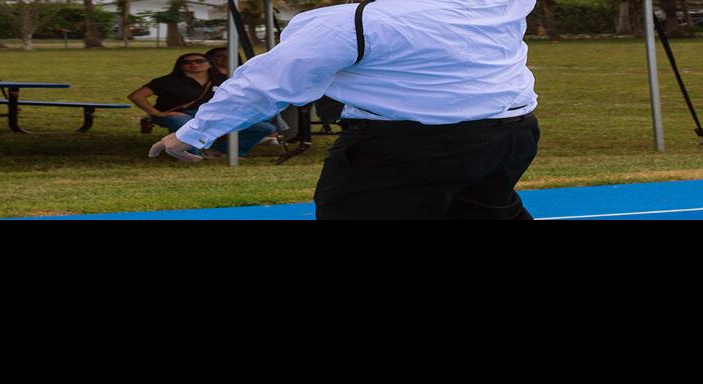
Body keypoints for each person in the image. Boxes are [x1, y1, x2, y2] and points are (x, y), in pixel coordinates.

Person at [148, 0, 541, 220]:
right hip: (511, 136)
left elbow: (265, 84)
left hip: (406, 149)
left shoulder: (348, 23)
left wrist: (192, 132)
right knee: (486, 214)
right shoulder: (496, 3)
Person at [129, 53, 276, 160]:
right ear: (180, 66)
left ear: (209, 63)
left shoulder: (223, 80)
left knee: (264, 127)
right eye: (188, 62)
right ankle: (192, 155)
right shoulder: (167, 81)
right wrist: (157, 113)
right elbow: (136, 96)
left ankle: (221, 152)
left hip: (213, 115)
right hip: (179, 114)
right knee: (185, 123)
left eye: (200, 61)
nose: (194, 64)